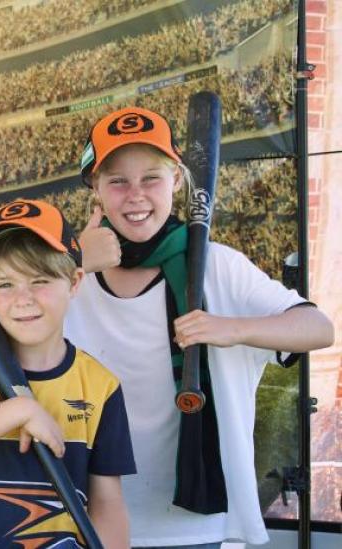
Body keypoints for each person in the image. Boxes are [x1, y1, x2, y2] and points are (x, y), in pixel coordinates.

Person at [69, 106, 335, 547]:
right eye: (117, 180)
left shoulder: (218, 267)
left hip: (194, 523)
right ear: (96, 190)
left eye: (151, 177)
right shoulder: (67, 282)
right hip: (91, 514)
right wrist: (74, 261)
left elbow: (317, 327)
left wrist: (230, 328)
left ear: (176, 180)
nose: (135, 194)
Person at [0, 198, 135, 548]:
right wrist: (19, 410)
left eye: (40, 280)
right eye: (5, 284)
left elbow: (107, 501)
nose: (23, 298)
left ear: (75, 282)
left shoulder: (100, 386)